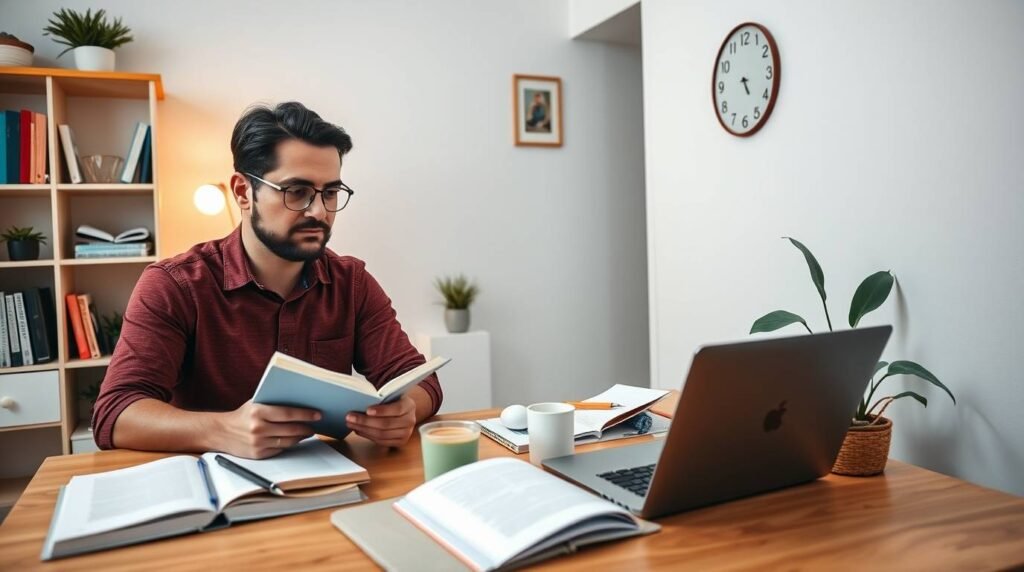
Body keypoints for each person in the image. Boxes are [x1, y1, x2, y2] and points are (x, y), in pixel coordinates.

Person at [92, 102, 442, 458]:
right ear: (244, 192)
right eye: (297, 192)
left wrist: (406, 411)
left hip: (328, 484)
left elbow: (420, 381)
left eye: (331, 193)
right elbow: (116, 413)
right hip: (215, 493)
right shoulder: (174, 285)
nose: (319, 211)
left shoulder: (352, 282)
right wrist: (223, 429)